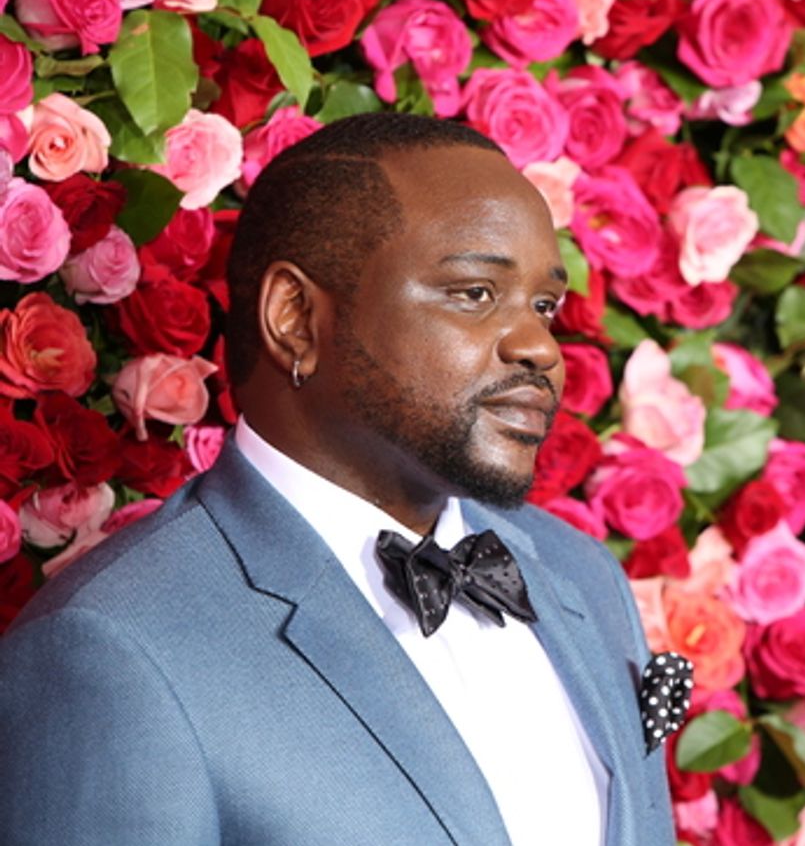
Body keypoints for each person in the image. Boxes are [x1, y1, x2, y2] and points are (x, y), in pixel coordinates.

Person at [0, 114, 677, 845]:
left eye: (544, 305)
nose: (540, 346)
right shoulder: (111, 649)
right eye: (474, 292)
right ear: (295, 318)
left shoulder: (582, 575)